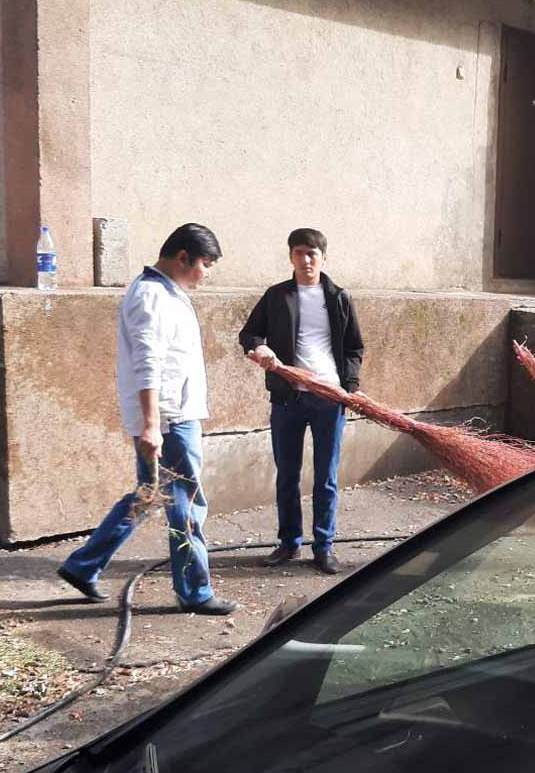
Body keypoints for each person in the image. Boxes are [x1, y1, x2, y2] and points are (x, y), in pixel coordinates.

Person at [57, 223, 237, 615]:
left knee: (149, 495)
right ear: (183, 257)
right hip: (170, 420)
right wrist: (152, 425)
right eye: (205, 264)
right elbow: (147, 364)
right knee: (186, 504)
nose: (207, 274)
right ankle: (194, 591)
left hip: (170, 416)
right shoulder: (152, 296)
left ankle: (83, 565)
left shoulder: (166, 292)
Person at [239, 228, 364, 575]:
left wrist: (350, 387)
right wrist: (260, 347)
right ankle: (289, 542)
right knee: (287, 474)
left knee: (326, 477)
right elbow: (249, 333)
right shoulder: (277, 296)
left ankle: (323, 546)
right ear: (291, 257)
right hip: (287, 398)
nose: (306, 260)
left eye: (312, 253)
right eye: (299, 253)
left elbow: (354, 347)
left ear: (324, 257)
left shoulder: (339, 297)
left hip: (328, 398)